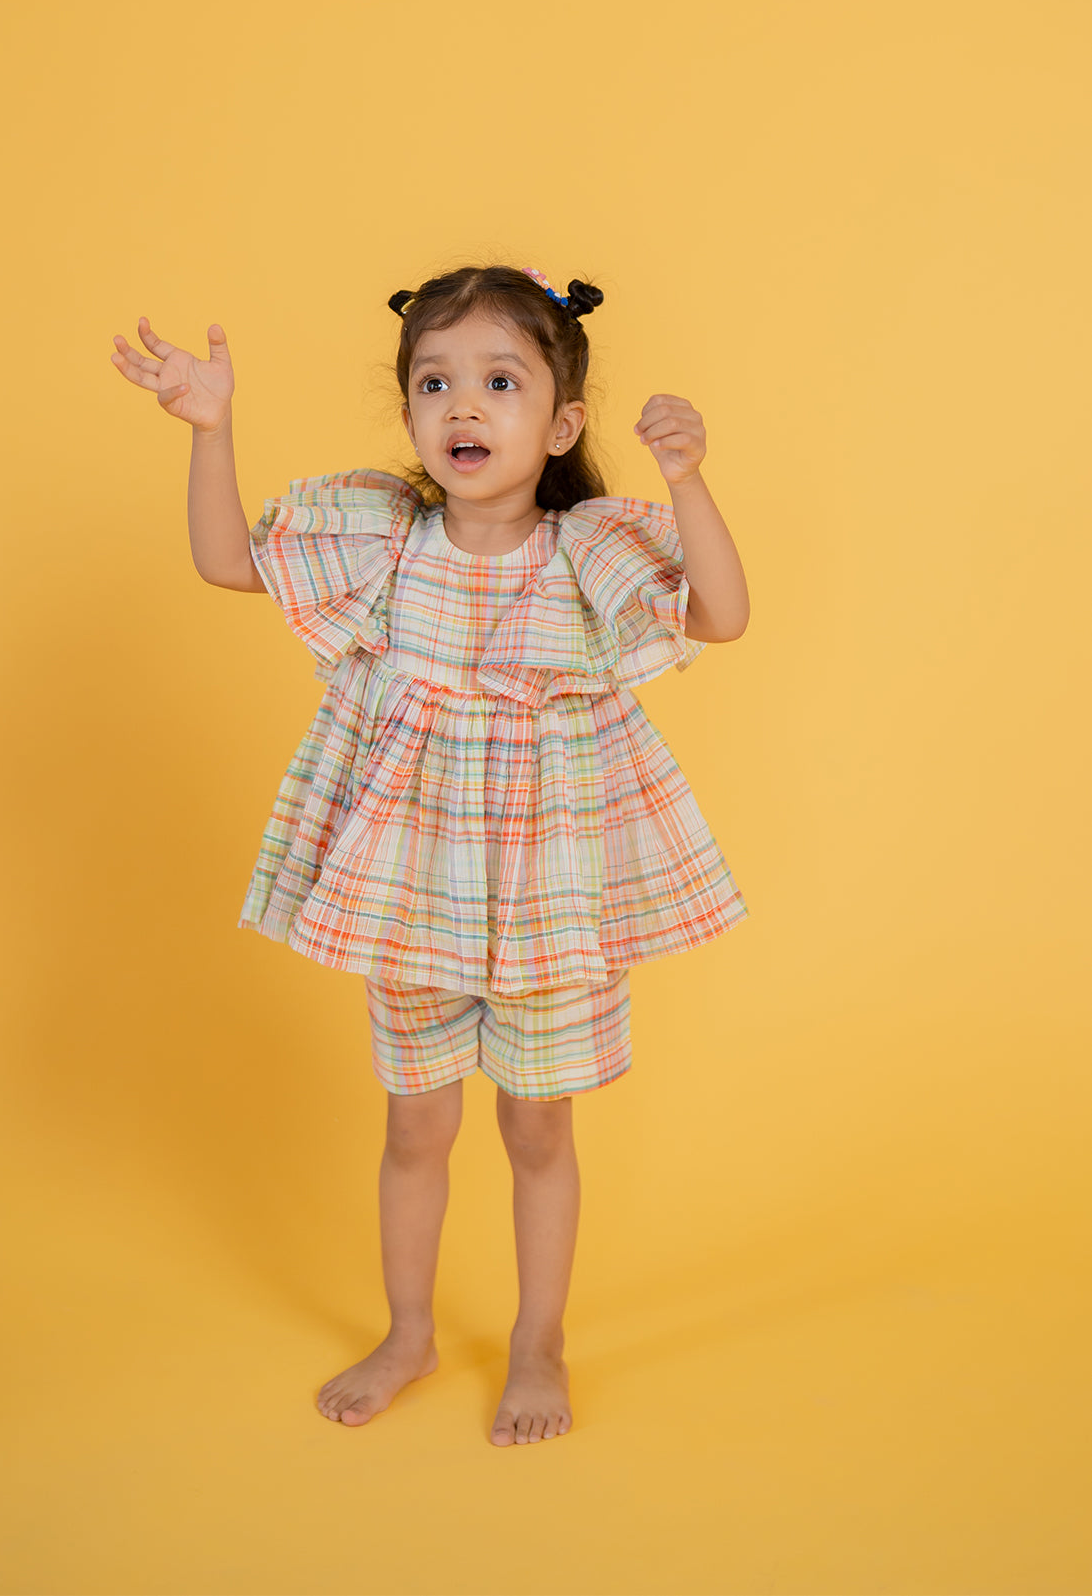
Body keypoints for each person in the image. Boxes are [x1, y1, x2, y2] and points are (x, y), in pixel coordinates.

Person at [110, 262, 751, 1447]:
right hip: (412, 895)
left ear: (558, 424)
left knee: (538, 1128)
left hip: (551, 898)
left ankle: (537, 1340)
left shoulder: (589, 550)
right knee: (414, 1124)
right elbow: (225, 562)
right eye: (435, 382)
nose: (463, 406)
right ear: (407, 412)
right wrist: (213, 429)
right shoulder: (384, 541)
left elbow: (719, 612)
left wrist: (689, 477)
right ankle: (408, 1331)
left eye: (499, 382)